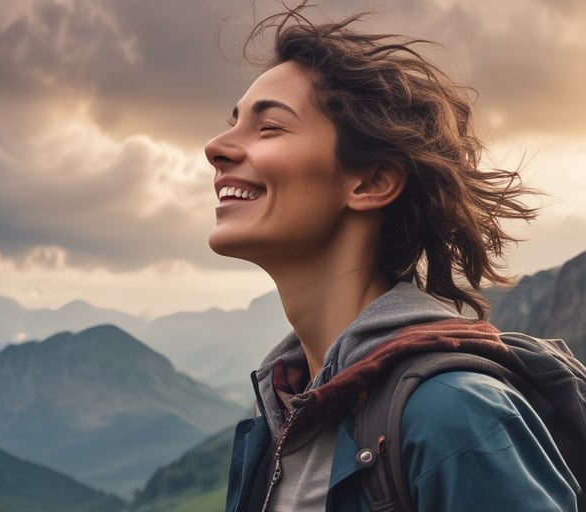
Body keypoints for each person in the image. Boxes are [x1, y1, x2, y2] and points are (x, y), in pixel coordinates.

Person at [204, 5, 580, 512]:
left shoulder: (455, 416)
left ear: (371, 182)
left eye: (268, 127)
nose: (215, 147)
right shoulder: (278, 417)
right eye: (233, 124)